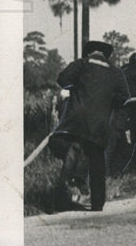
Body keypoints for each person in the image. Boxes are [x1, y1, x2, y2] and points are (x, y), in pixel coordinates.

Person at [49, 40, 130, 212]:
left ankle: (60, 198)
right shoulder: (116, 72)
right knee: (97, 158)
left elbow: (63, 80)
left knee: (72, 149)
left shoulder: (81, 64)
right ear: (105, 55)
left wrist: (76, 88)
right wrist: (107, 101)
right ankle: (97, 203)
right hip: (99, 123)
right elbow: (124, 98)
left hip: (76, 119)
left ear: (89, 53)